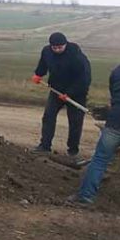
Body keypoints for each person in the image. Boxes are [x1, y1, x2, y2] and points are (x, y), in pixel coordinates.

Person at [67, 64, 120, 206]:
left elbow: (114, 98)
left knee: (99, 160)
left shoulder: (117, 71)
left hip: (115, 122)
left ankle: (85, 197)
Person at [30, 32, 91, 161]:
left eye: (60, 47)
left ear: (65, 44)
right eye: (54, 47)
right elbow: (43, 64)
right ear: (50, 46)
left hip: (76, 93)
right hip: (56, 90)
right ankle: (45, 146)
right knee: (48, 116)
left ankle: (72, 150)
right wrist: (38, 74)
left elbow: (84, 79)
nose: (57, 50)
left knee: (75, 122)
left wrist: (70, 93)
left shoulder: (76, 56)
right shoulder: (47, 51)